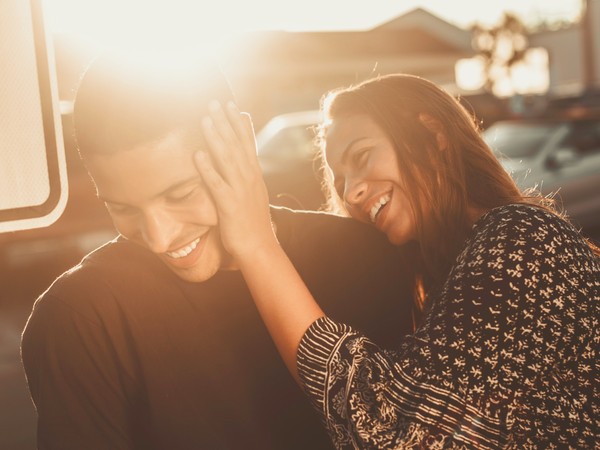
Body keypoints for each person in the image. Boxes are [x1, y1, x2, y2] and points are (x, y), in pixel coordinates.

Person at [20, 54, 417, 450]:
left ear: (240, 144)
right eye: (122, 208)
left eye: (180, 194)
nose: (159, 237)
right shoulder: (78, 319)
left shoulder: (363, 258)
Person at [195, 74, 599, 449]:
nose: (351, 192)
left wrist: (256, 243)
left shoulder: (521, 238)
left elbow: (402, 431)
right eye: (340, 182)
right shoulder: (448, 277)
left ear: (432, 133)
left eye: (362, 156)